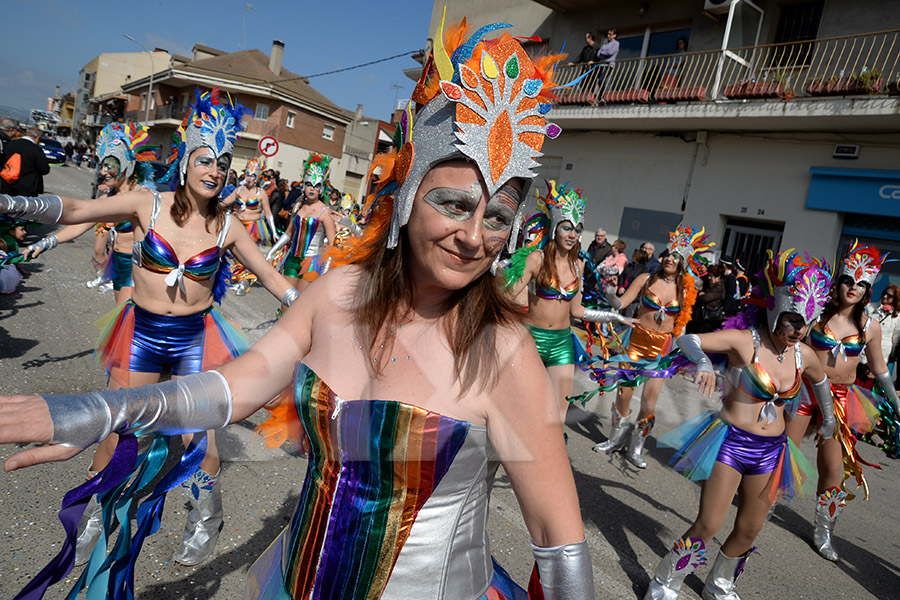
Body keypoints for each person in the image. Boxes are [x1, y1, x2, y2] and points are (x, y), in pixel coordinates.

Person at [0, 22, 596, 599]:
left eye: (496, 218)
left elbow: (557, 539)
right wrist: (91, 412)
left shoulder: (506, 355)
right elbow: (231, 390)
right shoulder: (337, 297)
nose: (472, 236)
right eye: (455, 204)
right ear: (410, 196)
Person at [0, 88, 300, 571]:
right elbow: (79, 211)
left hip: (193, 341)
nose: (214, 171)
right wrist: (17, 205)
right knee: (118, 427)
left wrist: (307, 306)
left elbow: (269, 276)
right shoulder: (148, 205)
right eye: (205, 160)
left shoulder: (227, 227)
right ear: (185, 162)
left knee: (197, 438)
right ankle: (98, 515)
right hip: (140, 333)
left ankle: (206, 517)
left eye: (222, 164)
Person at [646, 249, 835, 600]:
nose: (799, 330)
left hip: (772, 451)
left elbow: (821, 382)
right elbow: (689, 339)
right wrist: (703, 363)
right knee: (710, 523)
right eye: (792, 320)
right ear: (775, 309)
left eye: (805, 323)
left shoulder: (802, 355)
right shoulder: (744, 341)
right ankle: (666, 579)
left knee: (750, 528)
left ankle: (719, 583)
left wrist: (829, 422)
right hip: (731, 443)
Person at [786, 242, 900, 562]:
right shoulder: (816, 311)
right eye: (849, 280)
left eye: (861, 284)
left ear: (868, 290)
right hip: (805, 391)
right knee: (784, 454)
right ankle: (760, 506)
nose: (853, 287)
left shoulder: (869, 326)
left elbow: (879, 369)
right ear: (838, 282)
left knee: (834, 470)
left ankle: (823, 531)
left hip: (840, 400)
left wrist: (896, 401)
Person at [505, 181, 632, 421]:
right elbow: (507, 297)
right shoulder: (536, 259)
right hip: (532, 339)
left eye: (577, 229)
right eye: (567, 228)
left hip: (562, 343)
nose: (573, 234)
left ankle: (545, 455)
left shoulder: (579, 265)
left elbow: (577, 311)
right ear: (555, 229)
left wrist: (613, 316)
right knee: (519, 409)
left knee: (557, 414)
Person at [591, 225, 711, 467]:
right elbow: (621, 302)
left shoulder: (685, 291)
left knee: (649, 401)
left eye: (676, 257)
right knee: (624, 394)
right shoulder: (646, 279)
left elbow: (682, 325)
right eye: (668, 254)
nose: (669, 259)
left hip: (662, 347)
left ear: (682, 262)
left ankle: (636, 447)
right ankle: (615, 439)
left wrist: (687, 355)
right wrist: (612, 291)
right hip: (636, 340)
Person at [25, 121, 157, 305]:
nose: (102, 171)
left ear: (128, 165)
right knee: (121, 317)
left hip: (136, 270)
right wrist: (45, 242)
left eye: (109, 166)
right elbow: (82, 220)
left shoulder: (144, 196)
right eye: (101, 165)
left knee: (127, 319)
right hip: (118, 265)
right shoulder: (111, 195)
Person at [266, 153, 337, 308]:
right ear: (304, 185)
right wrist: (272, 251)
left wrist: (325, 270)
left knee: (299, 305)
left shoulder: (325, 212)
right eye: (309, 184)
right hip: (292, 259)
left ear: (322, 189)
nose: (312, 188)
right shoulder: (297, 207)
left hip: (311, 263)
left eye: (316, 185)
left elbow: (333, 243)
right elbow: (289, 233)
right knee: (284, 303)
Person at [222, 157, 275, 295]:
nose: (250, 178)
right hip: (238, 223)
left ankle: (243, 281)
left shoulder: (261, 193)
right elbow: (226, 202)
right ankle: (240, 277)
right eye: (248, 175)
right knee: (234, 252)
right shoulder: (239, 190)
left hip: (253, 226)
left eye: (253, 176)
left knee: (244, 252)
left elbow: (268, 213)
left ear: (257, 177)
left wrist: (274, 232)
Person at [1, 124, 50, 197]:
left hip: (7, 184)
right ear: (38, 138)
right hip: (27, 188)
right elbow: (44, 169)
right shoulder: (35, 150)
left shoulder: (10, 144)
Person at [697, 263, 725, 332]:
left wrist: (700, 294)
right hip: (706, 317)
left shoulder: (718, 287)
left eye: (711, 276)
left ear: (718, 277)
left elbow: (705, 298)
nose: (709, 278)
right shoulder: (714, 285)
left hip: (709, 317)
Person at [594, 28, 619, 93]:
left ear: (614, 35)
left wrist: (603, 53)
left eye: (610, 34)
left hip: (608, 65)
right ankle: (600, 95)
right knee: (598, 80)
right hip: (601, 65)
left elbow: (610, 52)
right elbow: (598, 54)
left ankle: (602, 95)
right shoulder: (605, 44)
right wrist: (605, 53)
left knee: (601, 80)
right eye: (608, 34)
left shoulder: (616, 43)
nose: (608, 36)